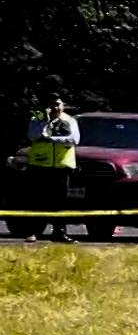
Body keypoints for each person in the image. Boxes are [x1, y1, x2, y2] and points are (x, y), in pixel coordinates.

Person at [23, 98, 79, 243]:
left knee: (59, 202)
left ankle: (59, 232)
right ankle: (34, 232)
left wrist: (51, 139)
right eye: (51, 104)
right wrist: (45, 122)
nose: (55, 108)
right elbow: (33, 136)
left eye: (58, 104)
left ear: (63, 106)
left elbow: (74, 139)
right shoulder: (37, 119)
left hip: (62, 166)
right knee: (38, 200)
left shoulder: (70, 120)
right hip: (40, 165)